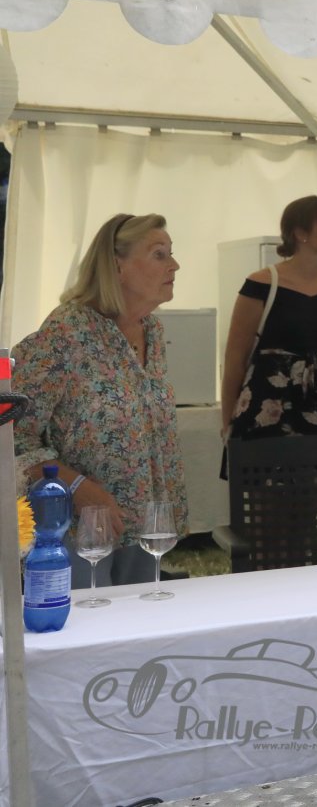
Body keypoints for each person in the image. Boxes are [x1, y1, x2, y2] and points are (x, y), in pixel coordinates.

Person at [13, 213, 185, 586]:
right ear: (116, 266)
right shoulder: (66, 332)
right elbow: (13, 433)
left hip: (144, 524)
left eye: (171, 254)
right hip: (77, 528)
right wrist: (78, 488)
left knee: (144, 618)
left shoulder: (153, 331)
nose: (174, 265)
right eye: (159, 254)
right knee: (87, 617)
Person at [219, 196, 317, 471]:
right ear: (300, 232)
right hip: (267, 403)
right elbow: (234, 360)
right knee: (262, 490)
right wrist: (227, 423)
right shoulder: (261, 283)